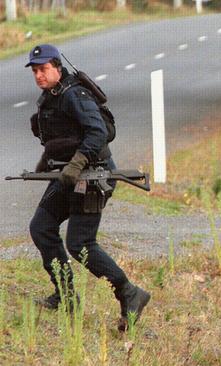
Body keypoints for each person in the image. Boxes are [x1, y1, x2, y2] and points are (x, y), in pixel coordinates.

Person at [26, 44, 150, 331]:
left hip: (93, 177)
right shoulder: (50, 98)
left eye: (43, 69)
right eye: (35, 71)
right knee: (41, 227)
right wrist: (44, 165)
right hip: (69, 176)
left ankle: (129, 293)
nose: (38, 76)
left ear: (57, 67)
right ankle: (66, 295)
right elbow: (58, 139)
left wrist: (76, 163)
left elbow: (98, 133)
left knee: (80, 243)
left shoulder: (74, 95)